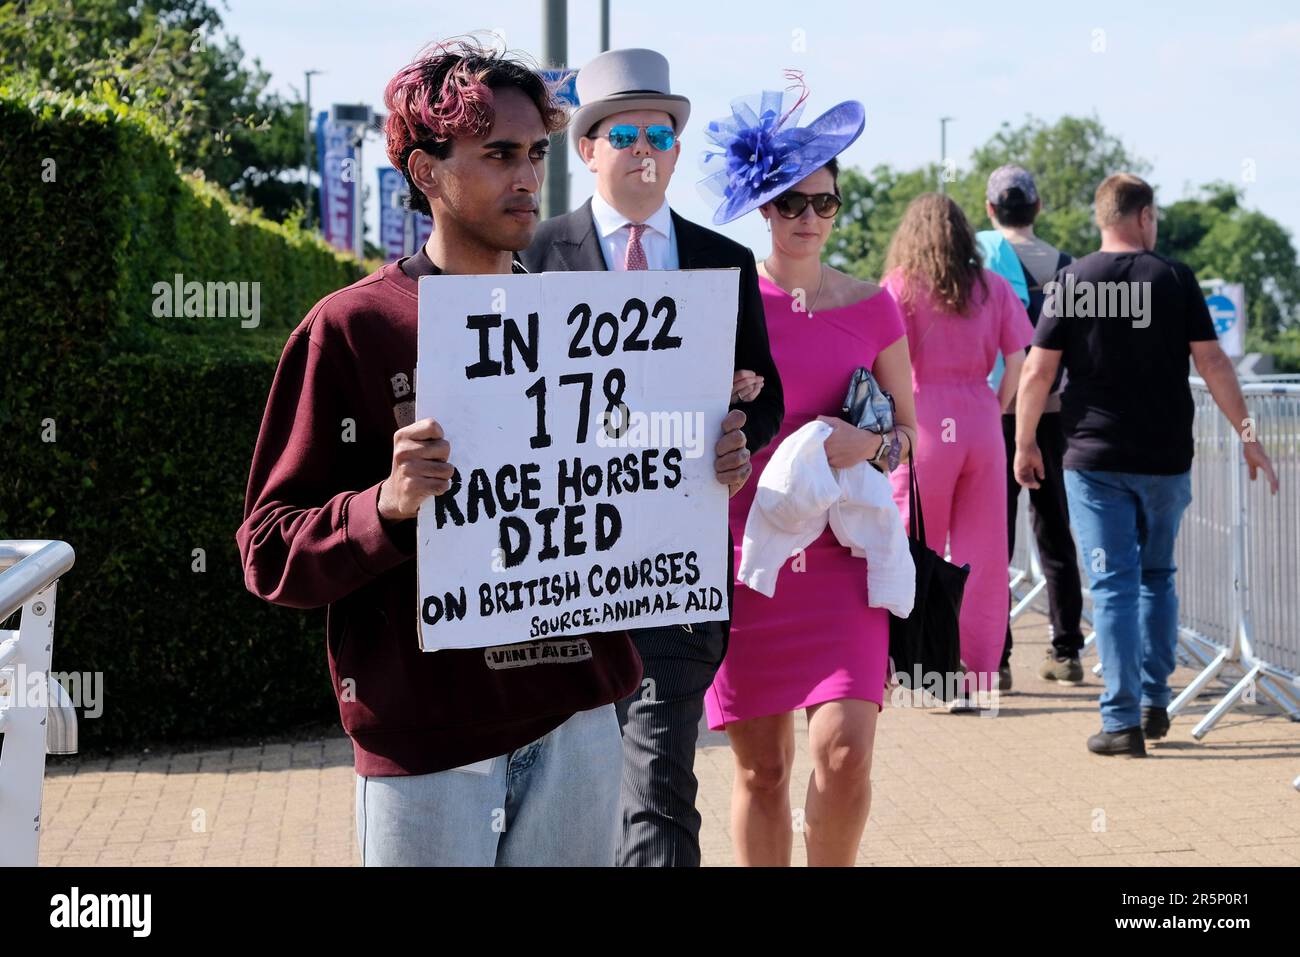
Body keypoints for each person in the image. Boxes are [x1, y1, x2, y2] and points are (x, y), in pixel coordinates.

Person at [238, 39, 654, 867]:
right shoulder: (351, 329)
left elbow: (625, 495)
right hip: (425, 737)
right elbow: (267, 548)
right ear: (426, 172)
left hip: (578, 716)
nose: (528, 177)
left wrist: (697, 462)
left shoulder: (584, 326)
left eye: (535, 152)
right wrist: (384, 507)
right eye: (498, 153)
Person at [520, 47, 783, 867]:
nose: (645, 148)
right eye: (624, 132)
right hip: (561, 571)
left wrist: (742, 420)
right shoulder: (532, 255)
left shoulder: (724, 261)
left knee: (661, 786)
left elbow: (765, 396)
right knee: (561, 793)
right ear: (588, 147)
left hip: (676, 572)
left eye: (661, 134)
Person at [696, 81, 918, 866]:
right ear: (763, 209)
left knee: (846, 751)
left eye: (825, 204)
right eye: (792, 204)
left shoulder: (873, 307)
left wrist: (871, 447)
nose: (810, 220)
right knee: (763, 769)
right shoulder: (720, 301)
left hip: (843, 564)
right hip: (744, 561)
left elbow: (907, 439)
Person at [1014, 173, 1278, 756]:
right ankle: (1158, 705)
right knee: (1157, 578)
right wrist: (1249, 435)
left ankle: (1121, 721)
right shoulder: (1175, 278)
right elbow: (1213, 363)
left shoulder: (1071, 281)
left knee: (1111, 585)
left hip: (1093, 459)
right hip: (1165, 459)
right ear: (1144, 217)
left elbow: (1036, 371)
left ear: (1102, 219)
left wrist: (1025, 443)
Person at [882, 193, 1035, 707]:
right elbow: (1019, 358)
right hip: (981, 422)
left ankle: (909, 664)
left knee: (910, 546)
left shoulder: (900, 287)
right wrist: (995, 402)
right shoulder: (990, 286)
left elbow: (883, 361)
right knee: (987, 557)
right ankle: (976, 682)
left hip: (922, 422)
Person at [981, 165, 1086, 689]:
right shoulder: (1064, 267)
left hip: (991, 413)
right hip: (1051, 413)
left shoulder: (975, 261)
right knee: (1054, 532)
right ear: (1037, 208)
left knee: (992, 537)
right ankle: (1066, 650)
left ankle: (994, 659)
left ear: (990, 209)